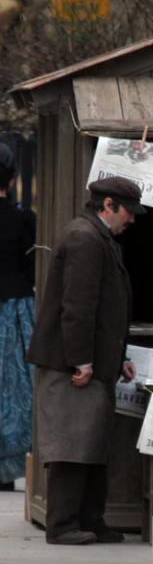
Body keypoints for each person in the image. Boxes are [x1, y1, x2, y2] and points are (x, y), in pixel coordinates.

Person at [27, 176, 146, 545]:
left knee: (92, 444)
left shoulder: (98, 237)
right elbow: (77, 308)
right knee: (72, 445)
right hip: (72, 364)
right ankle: (62, 525)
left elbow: (104, 309)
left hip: (90, 361)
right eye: (128, 211)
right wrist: (81, 361)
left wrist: (118, 356)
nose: (132, 219)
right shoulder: (84, 238)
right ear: (108, 205)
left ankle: (91, 521)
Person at [0, 143, 35, 492]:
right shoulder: (24, 219)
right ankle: (8, 467)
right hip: (15, 308)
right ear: (11, 179)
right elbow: (31, 265)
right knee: (13, 389)